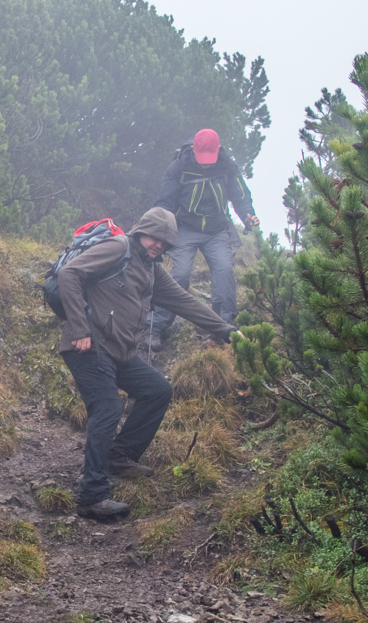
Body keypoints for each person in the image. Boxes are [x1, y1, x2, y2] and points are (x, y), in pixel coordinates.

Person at [58, 207, 237, 520]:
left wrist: (228, 332)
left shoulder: (153, 270)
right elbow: (69, 274)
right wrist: (79, 328)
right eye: (155, 236)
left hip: (120, 353)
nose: (159, 245)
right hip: (88, 346)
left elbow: (185, 302)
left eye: (166, 243)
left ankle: (120, 456)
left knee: (157, 390)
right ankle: (92, 496)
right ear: (142, 229)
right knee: (108, 408)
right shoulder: (118, 248)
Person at [148, 128, 260, 351]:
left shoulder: (227, 165)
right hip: (185, 229)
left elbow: (240, 195)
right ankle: (157, 325)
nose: (207, 164)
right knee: (179, 274)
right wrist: (159, 232)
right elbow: (165, 202)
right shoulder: (179, 166)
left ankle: (224, 325)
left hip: (217, 230)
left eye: (211, 159)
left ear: (218, 151)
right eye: (202, 159)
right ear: (193, 150)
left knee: (225, 270)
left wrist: (248, 215)